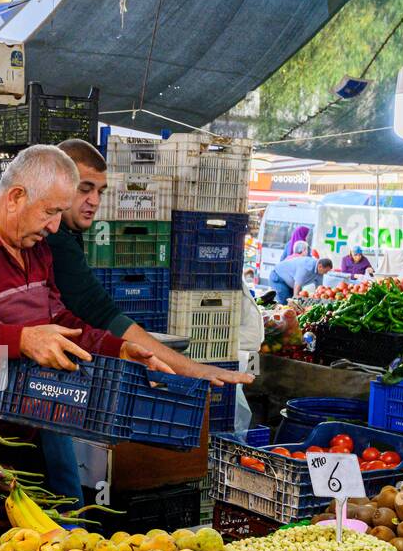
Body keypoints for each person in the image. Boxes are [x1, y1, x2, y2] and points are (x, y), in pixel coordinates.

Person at [0, 144, 170, 485]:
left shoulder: (35, 251)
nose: (54, 227)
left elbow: (60, 320)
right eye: (49, 212)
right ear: (16, 197)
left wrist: (118, 349)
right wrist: (22, 339)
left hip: (26, 429)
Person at [41, 140, 253, 502]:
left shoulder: (66, 238)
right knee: (64, 497)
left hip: (45, 385)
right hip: (35, 387)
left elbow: (93, 320)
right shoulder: (55, 241)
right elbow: (103, 314)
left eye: (100, 191)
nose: (93, 200)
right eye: (84, 188)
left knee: (63, 490)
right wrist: (191, 369)